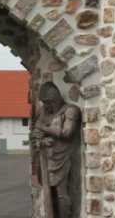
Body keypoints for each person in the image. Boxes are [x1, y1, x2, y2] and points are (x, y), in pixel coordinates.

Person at [33, 82, 81, 218]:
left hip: (63, 157)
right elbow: (36, 133)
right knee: (47, 192)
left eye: (49, 102)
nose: (46, 106)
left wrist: (44, 127)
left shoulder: (70, 110)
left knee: (61, 193)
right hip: (46, 158)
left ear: (56, 99)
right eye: (44, 103)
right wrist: (42, 140)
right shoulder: (43, 111)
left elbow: (67, 132)